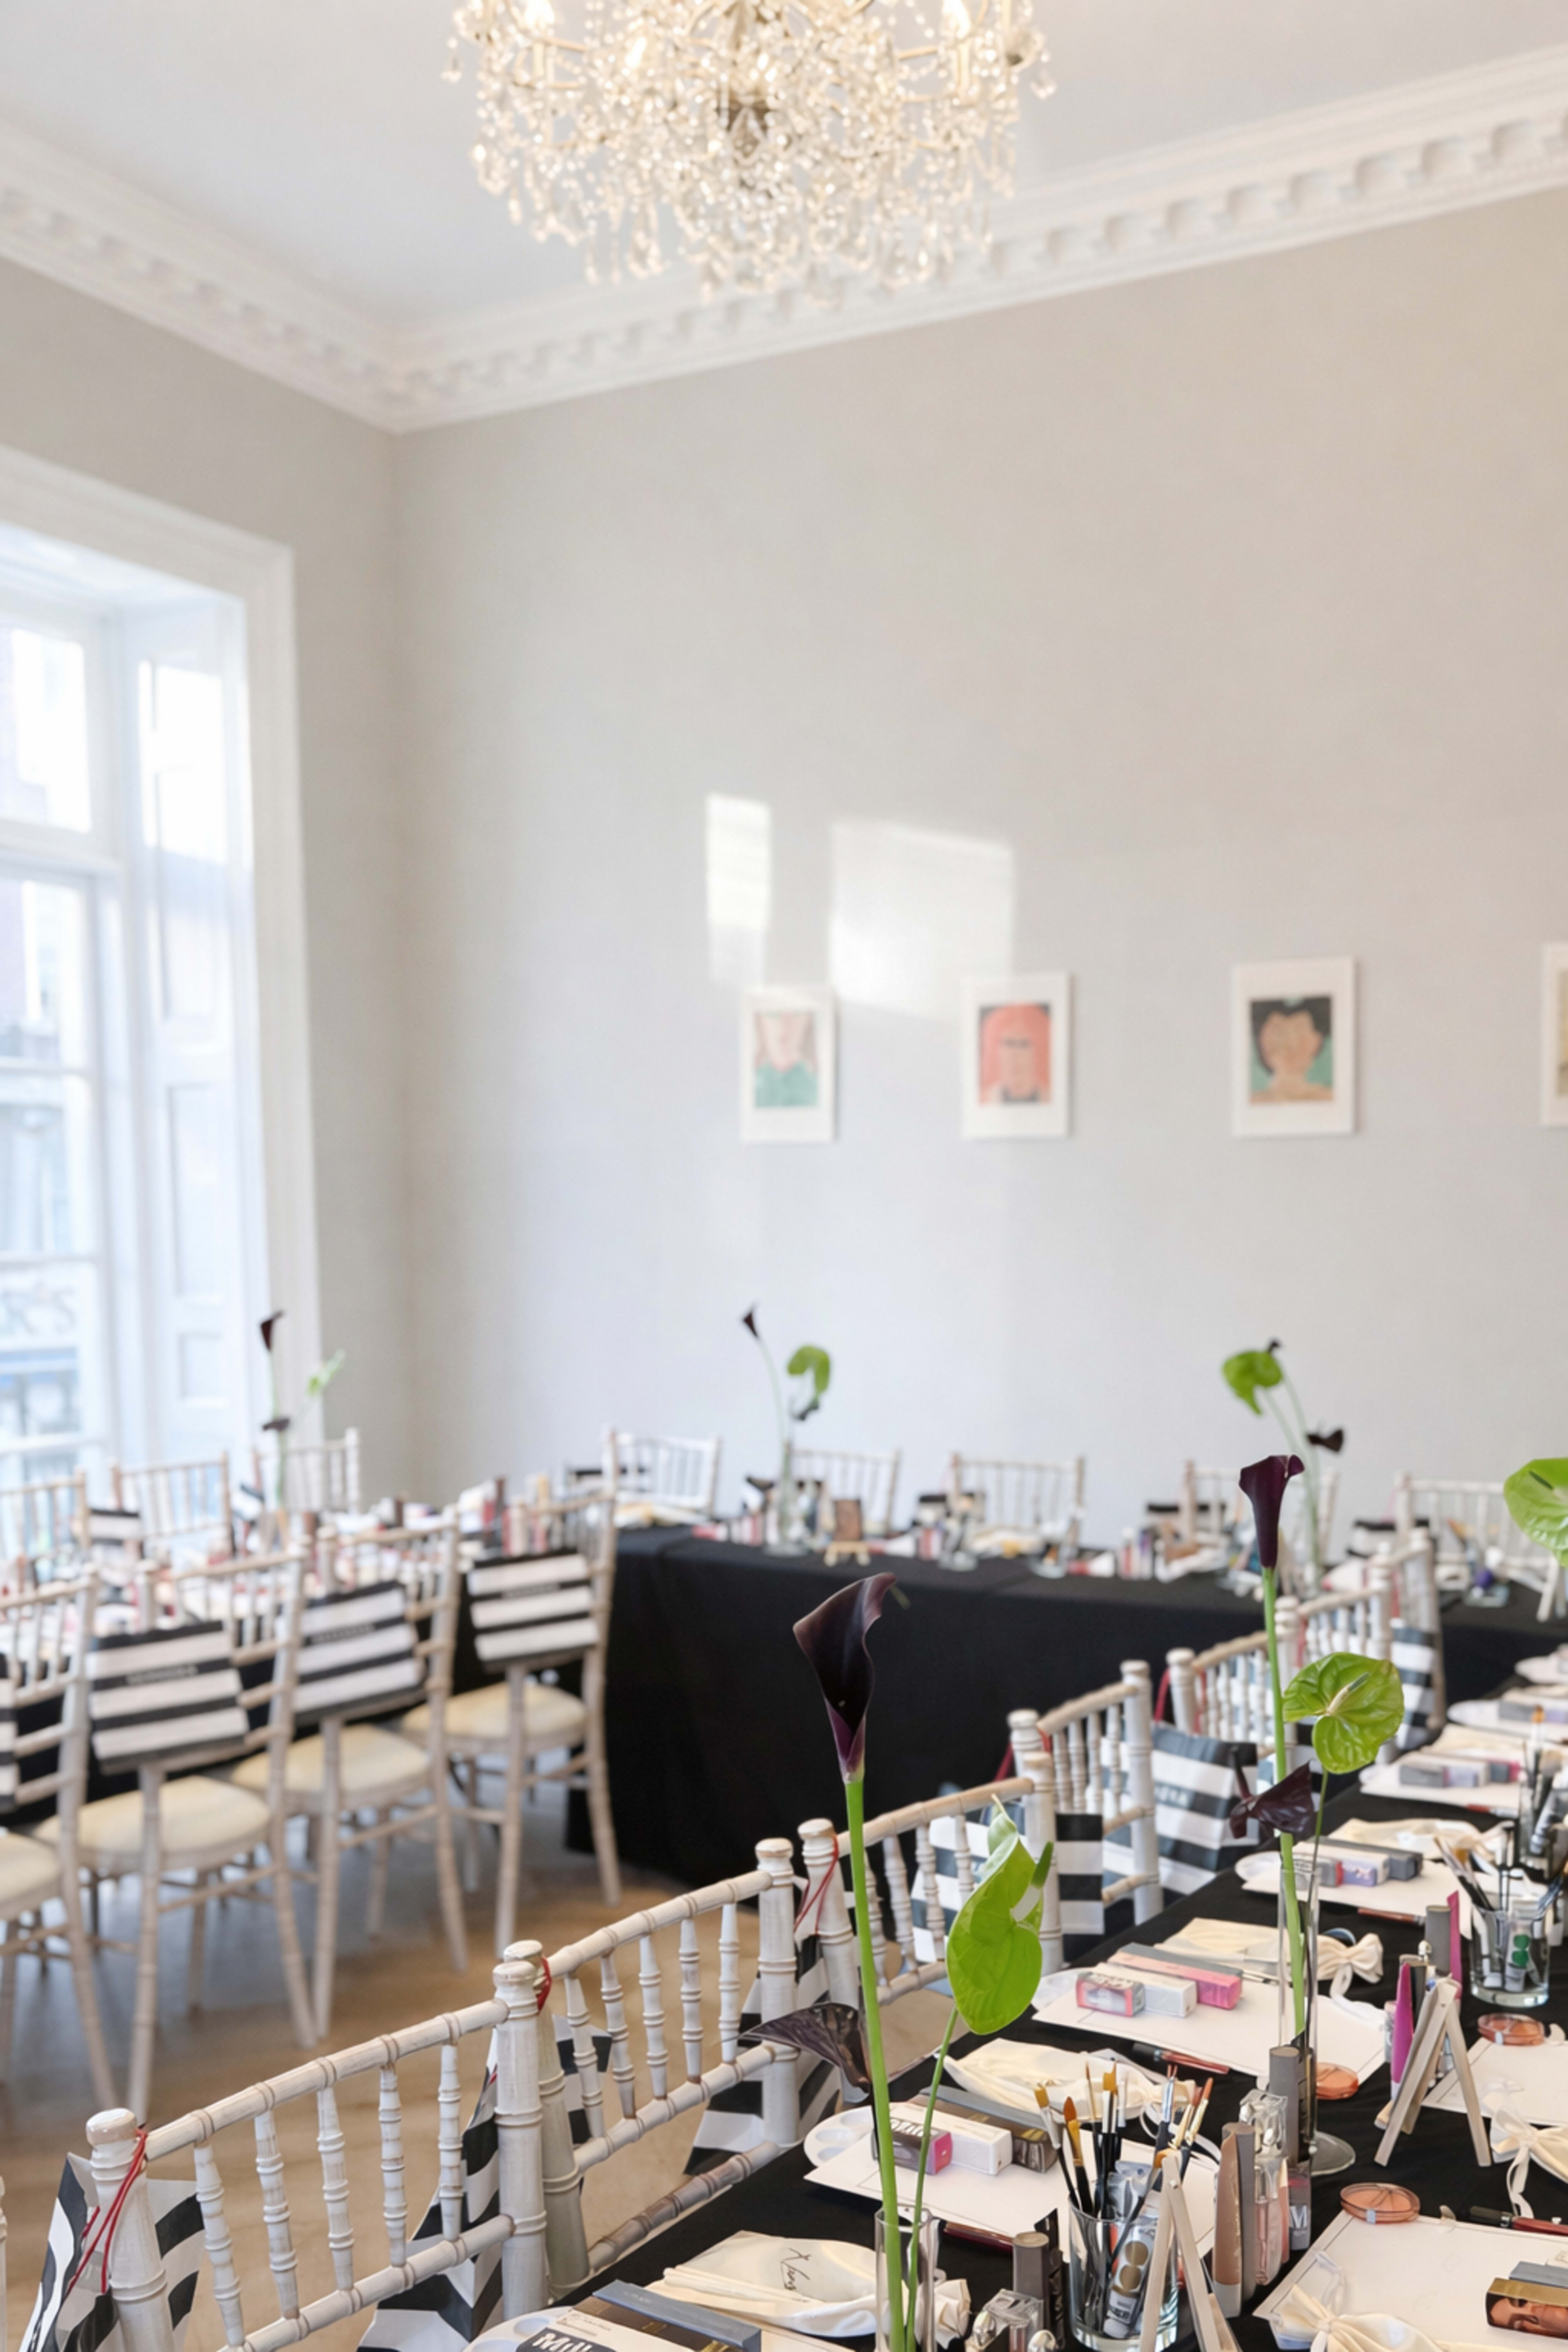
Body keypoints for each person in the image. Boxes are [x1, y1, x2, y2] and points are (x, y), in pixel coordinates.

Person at [1250, 996, 1334, 1104]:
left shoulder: (1328, 1098)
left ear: (1317, 1041)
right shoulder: (1254, 1102)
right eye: (1278, 1032)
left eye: (1299, 1031)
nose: (1289, 1043)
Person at [978, 1002, 1051, 1105]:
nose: (1015, 1053)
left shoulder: (1050, 1098)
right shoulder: (985, 1100)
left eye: (1024, 1044)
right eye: (1009, 1043)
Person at [754, 1007, 818, 1108]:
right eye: (774, 1015)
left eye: (796, 1014)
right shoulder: (750, 1084)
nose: (783, 1026)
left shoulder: (817, 1088)